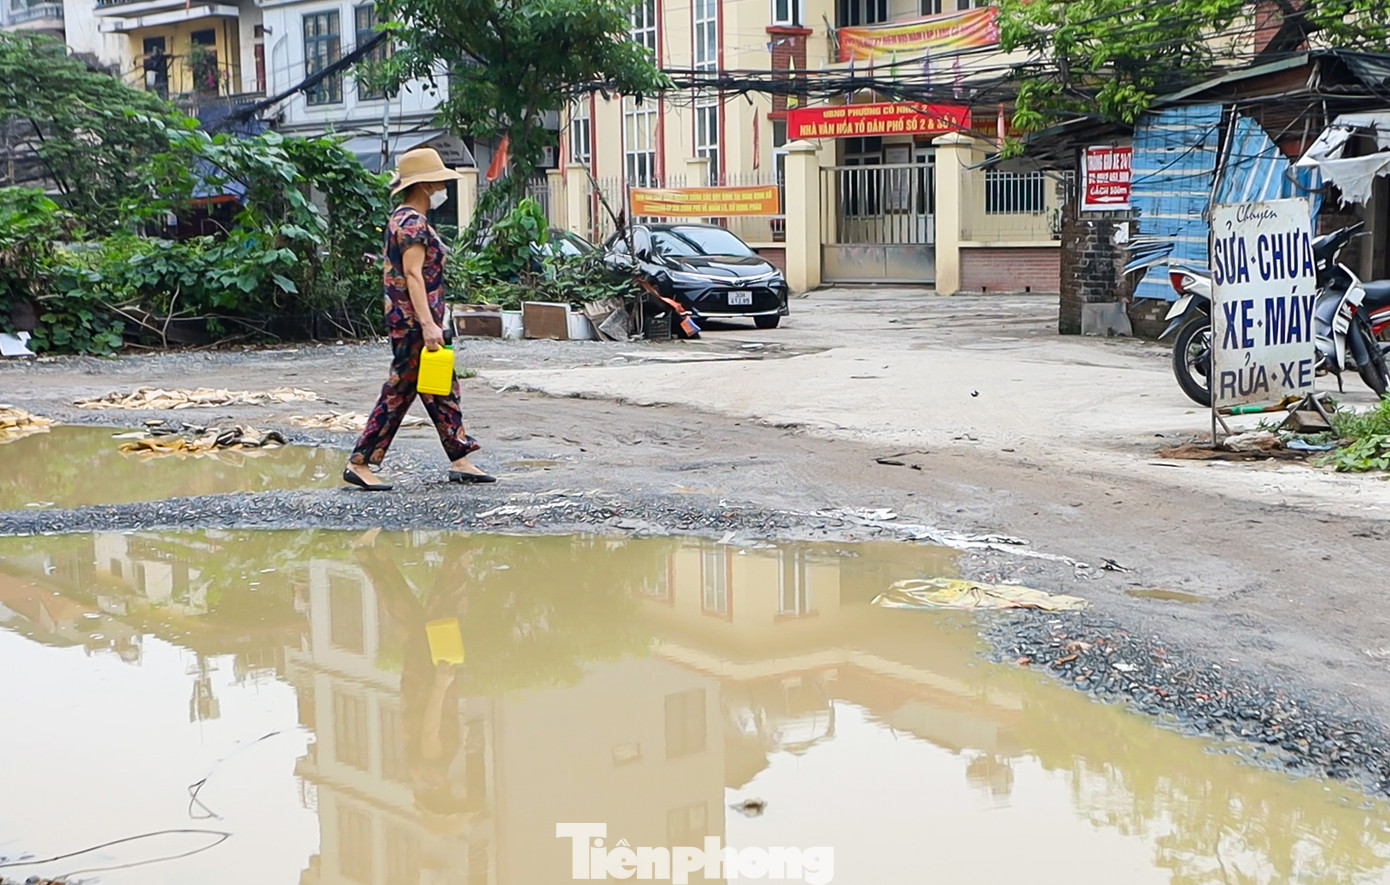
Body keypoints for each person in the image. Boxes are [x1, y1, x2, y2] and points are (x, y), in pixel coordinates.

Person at [344, 147, 494, 491]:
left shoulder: (401, 218)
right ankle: (359, 461)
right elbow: (413, 275)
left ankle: (460, 456)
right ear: (425, 185)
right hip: (413, 322)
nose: (443, 187)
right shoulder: (412, 223)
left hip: (412, 319)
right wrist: (428, 324)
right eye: (439, 181)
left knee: (441, 387)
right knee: (399, 391)